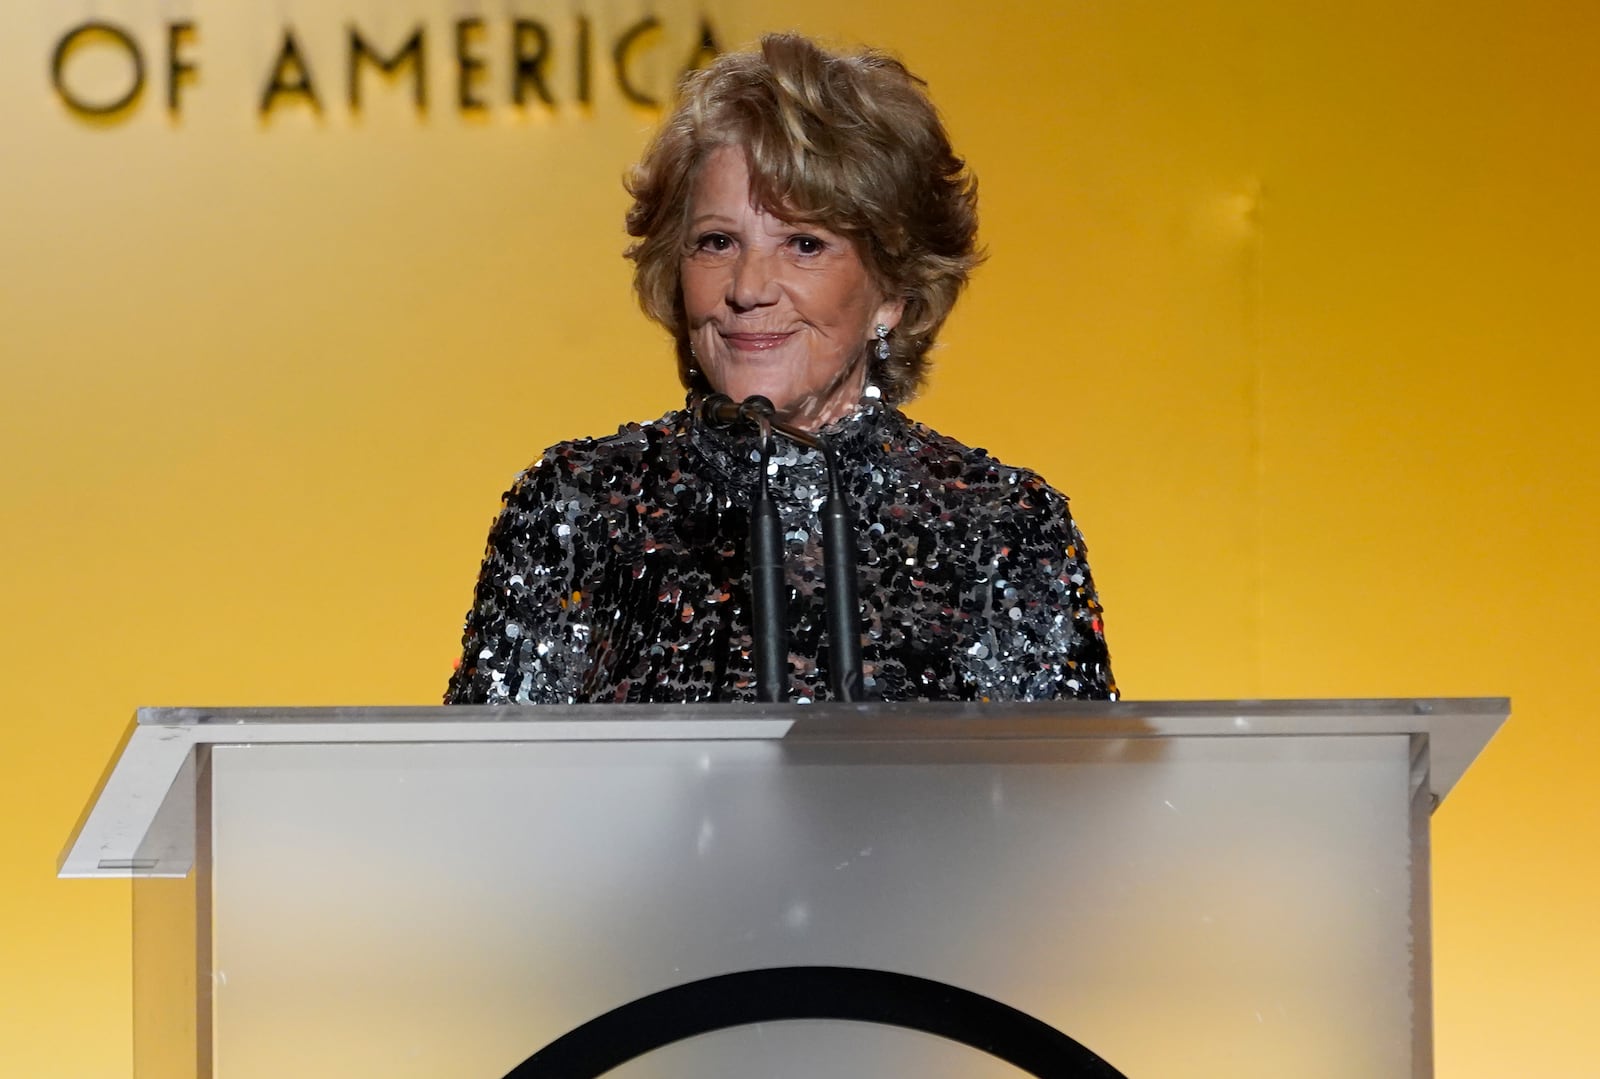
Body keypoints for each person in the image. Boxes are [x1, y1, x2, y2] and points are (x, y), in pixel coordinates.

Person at [445, 33, 1115, 706]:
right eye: (717, 242)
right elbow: (482, 797)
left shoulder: (1005, 527)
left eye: (803, 244)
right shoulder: (576, 506)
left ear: (892, 291)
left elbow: (1073, 804)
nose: (748, 287)